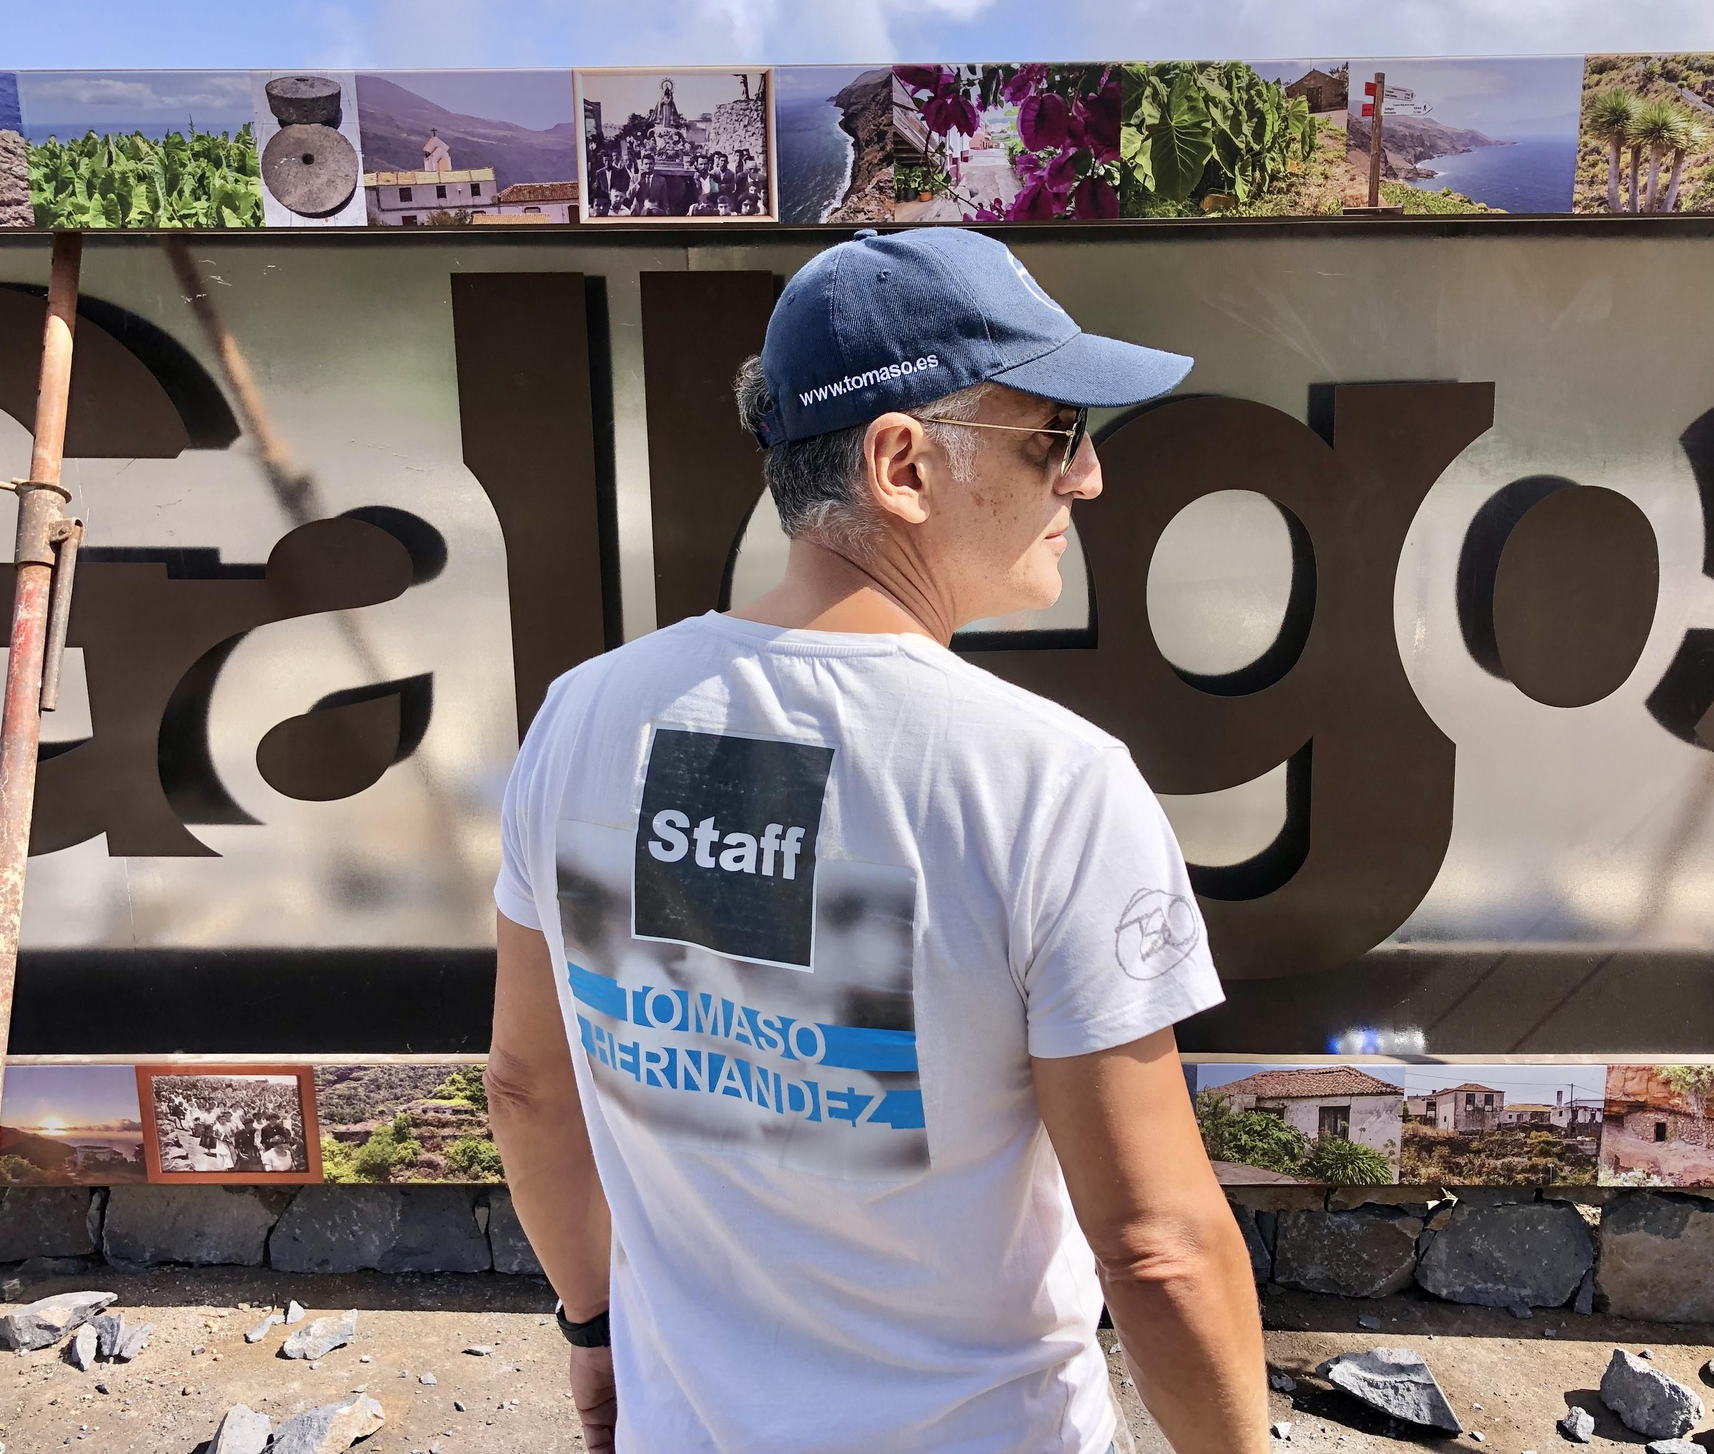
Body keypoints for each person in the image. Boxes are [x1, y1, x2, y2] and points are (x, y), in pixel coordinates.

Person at [488, 226, 1268, 1454]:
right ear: (900, 462)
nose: (1087, 479)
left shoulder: (585, 715)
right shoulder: (1047, 783)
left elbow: (527, 1088)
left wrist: (593, 1338)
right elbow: (1155, 1246)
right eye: (1054, 434)